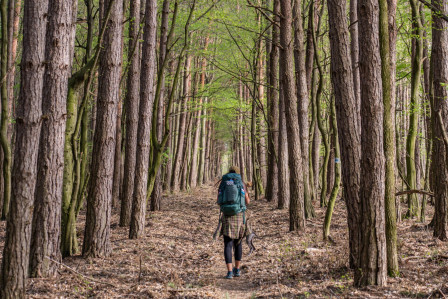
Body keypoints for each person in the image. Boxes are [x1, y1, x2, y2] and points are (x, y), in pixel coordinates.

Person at [216, 166, 250, 279]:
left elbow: (218, 200)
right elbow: (247, 201)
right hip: (239, 216)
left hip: (227, 216)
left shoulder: (224, 182)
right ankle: (237, 270)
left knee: (228, 243)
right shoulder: (241, 183)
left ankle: (229, 272)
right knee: (238, 243)